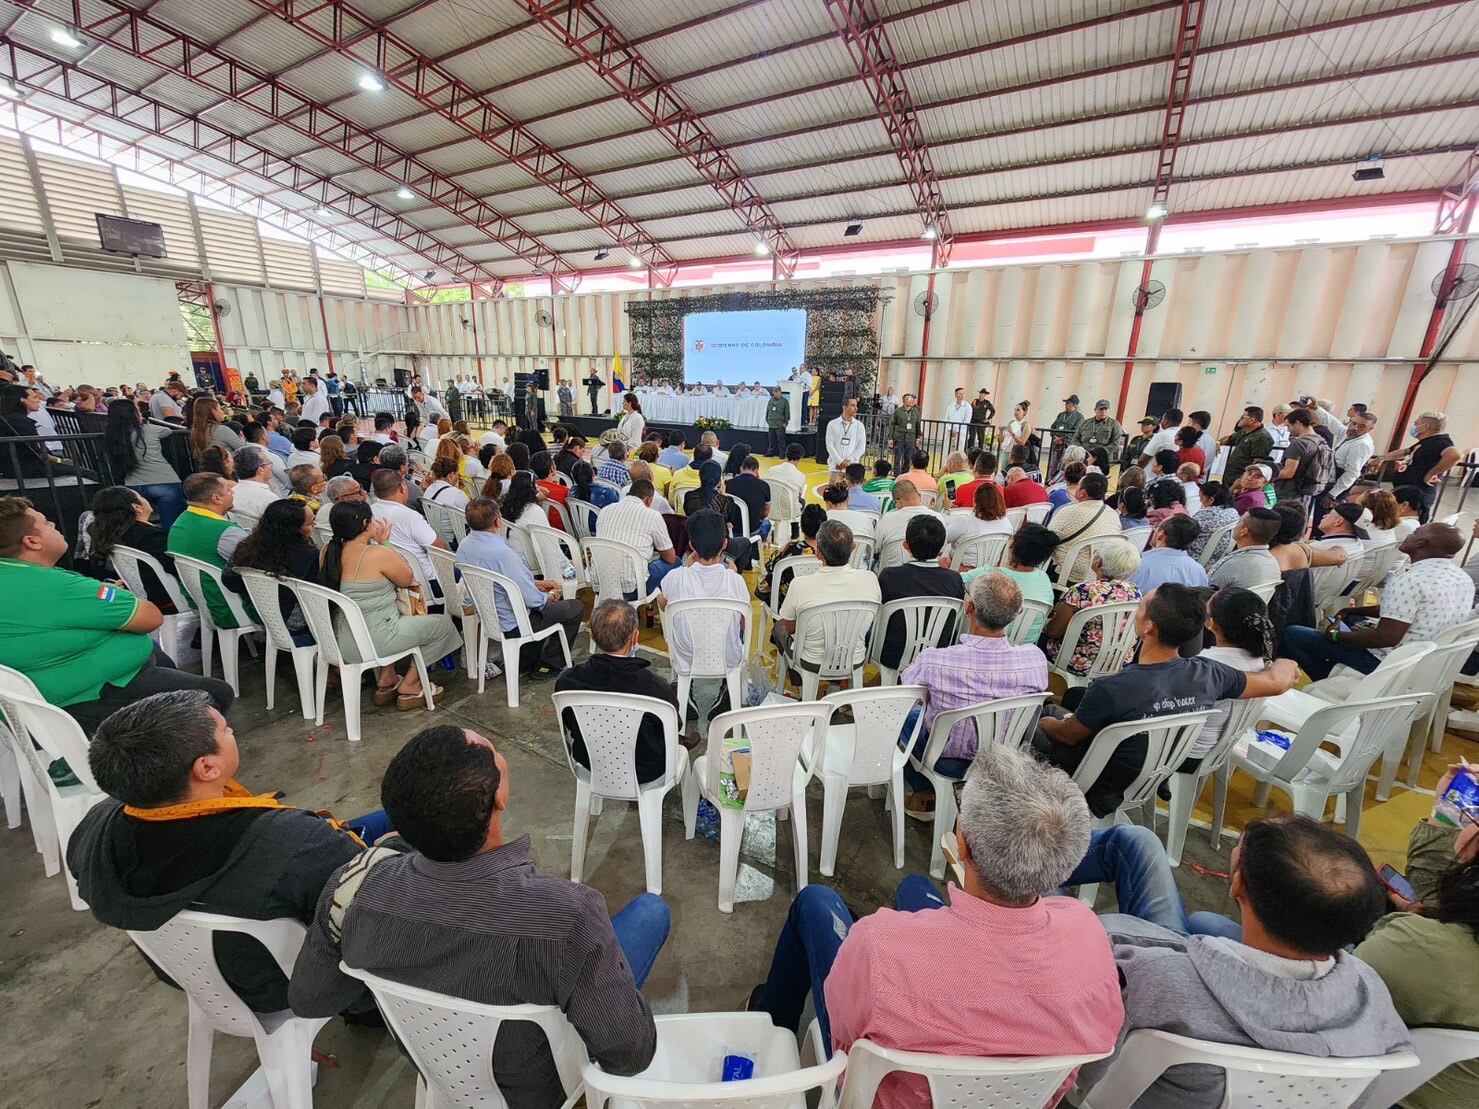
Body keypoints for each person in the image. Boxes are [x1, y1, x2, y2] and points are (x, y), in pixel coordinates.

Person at [288, 725, 668, 1107]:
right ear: (498, 798)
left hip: (439, 1072)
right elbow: (629, 1056)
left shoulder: (355, 887)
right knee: (651, 912)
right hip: (545, 1091)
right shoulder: (567, 915)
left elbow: (310, 1001)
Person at [751, 742, 1122, 1101]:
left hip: (885, 1094)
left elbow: (844, 1036)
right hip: (1023, 1097)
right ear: (1066, 863)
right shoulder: (1089, 934)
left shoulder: (877, 943)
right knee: (914, 888)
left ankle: (771, 1023)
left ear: (961, 844)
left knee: (816, 902)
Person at [68, 690, 384, 1015]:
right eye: (226, 730)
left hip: (193, 975)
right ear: (206, 767)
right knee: (402, 827)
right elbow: (367, 921)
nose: (233, 731)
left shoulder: (97, 826)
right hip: (288, 984)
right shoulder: (294, 841)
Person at [1070, 815, 1408, 1109]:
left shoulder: (1148, 974)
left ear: (1237, 884)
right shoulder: (1371, 994)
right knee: (1197, 912)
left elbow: (1081, 1077)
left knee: (1125, 850)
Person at [1034, 584, 1299, 818]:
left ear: (1148, 627)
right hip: (1154, 770)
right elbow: (1276, 681)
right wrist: (1285, 662)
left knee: (1032, 721)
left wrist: (1046, 722)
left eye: (1139, 608)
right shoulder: (1210, 673)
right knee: (1065, 707)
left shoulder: (1112, 687)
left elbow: (1068, 736)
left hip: (1098, 780)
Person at [0, 497, 233, 735]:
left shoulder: (14, 574)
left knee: (157, 656)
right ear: (31, 541)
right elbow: (151, 618)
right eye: (47, 523)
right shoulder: (56, 587)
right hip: (86, 699)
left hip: (69, 688)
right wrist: (110, 607)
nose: (54, 526)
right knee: (216, 693)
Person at [1355, 763, 1479, 1109]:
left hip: (1379, 1092)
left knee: (1211, 926)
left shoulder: (1418, 947)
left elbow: (1330, 994)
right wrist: (1448, 814)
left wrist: (1454, 812)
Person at [895, 564, 1045, 803]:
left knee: (905, 714)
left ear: (969, 607)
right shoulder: (1035, 659)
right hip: (1004, 754)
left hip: (946, 759)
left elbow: (908, 685)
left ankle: (922, 788)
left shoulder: (937, 660)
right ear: (1016, 613)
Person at [1283, 522, 1471, 679]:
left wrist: (1335, 635)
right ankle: (1337, 661)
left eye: (1415, 533)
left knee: (1292, 633)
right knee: (1350, 621)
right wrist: (1352, 611)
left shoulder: (1411, 581)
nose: (1409, 535)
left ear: (1420, 542)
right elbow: (1402, 611)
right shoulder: (1461, 578)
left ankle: (1325, 676)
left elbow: (1386, 638)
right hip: (1424, 661)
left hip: (1387, 664)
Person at [321, 501, 458, 707]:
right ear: (367, 523)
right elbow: (406, 578)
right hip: (377, 640)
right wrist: (385, 543)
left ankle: (388, 678)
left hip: (342, 641)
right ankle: (411, 684)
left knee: (389, 613)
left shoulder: (327, 551)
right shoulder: (376, 554)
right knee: (443, 625)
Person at [456, 497, 583, 676]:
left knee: (546, 606)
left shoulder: (464, 546)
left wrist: (537, 583)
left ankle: (526, 661)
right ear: (498, 521)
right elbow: (534, 602)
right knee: (574, 608)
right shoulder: (503, 553)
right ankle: (551, 664)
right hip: (515, 622)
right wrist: (552, 594)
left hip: (488, 617)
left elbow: (504, 580)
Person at [658, 510, 750, 714]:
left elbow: (663, 605)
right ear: (725, 544)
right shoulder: (735, 581)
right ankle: (728, 693)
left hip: (686, 656)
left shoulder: (676, 577)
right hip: (727, 657)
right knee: (734, 624)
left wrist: (686, 569)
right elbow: (744, 624)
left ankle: (686, 694)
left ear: (691, 545)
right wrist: (732, 575)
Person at [775, 520, 881, 664]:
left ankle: (800, 679)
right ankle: (840, 680)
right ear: (853, 547)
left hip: (812, 661)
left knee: (779, 627)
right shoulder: (870, 579)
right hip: (854, 658)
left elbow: (789, 627)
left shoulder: (800, 585)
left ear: (818, 553)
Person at [167, 472, 254, 630]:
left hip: (199, 602)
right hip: (231, 607)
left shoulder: (180, 522)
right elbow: (260, 565)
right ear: (216, 498)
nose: (233, 493)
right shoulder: (225, 532)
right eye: (228, 490)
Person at [1041, 542, 1142, 679]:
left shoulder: (1082, 591)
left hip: (1077, 662)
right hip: (1116, 661)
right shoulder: (1134, 591)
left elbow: (1054, 631)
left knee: (1036, 638)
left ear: (1098, 563)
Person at [877, 514, 964, 671]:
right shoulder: (955, 580)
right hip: (939, 652)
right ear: (942, 548)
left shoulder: (890, 576)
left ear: (906, 546)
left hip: (893, 655)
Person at [230, 499, 321, 646]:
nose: (314, 526)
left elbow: (230, 581)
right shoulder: (308, 556)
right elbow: (318, 597)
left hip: (261, 614)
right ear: (293, 529)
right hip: (297, 622)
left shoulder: (246, 548)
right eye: (310, 523)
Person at [87, 486, 177, 610]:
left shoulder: (105, 535)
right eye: (141, 497)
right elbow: (172, 569)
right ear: (137, 507)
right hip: (165, 601)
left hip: (130, 599)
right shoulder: (152, 536)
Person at [967, 522, 1058, 640]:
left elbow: (953, 582)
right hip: (1025, 647)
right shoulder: (1044, 580)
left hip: (981, 640)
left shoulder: (986, 574)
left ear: (1012, 545)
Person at [103, 399, 186, 526]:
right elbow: (167, 431)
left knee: (136, 524)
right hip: (165, 480)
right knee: (172, 525)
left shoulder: (113, 437)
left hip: (133, 484)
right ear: (134, 414)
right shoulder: (150, 429)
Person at [596, 476, 678, 593]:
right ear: (649, 500)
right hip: (632, 589)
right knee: (677, 562)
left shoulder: (605, 510)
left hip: (600, 583)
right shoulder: (652, 515)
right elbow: (670, 558)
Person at [1376, 410, 1462, 521]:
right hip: (1405, 491)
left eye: (1416, 424)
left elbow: (1454, 455)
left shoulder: (1440, 442)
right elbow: (1405, 452)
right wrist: (1381, 458)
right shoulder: (1425, 442)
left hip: (1417, 496)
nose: (1413, 427)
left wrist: (1432, 473)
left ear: (1425, 427)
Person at [369, 468, 447, 587]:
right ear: (402, 488)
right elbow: (439, 548)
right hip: (427, 581)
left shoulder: (370, 511)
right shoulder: (409, 516)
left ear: (375, 492)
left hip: (391, 577)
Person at [1048, 472, 1120, 580]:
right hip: (1099, 573)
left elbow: (1048, 537)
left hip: (1067, 573)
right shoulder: (1113, 515)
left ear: (1083, 493)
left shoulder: (1069, 511)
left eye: (1078, 486)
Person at [757, 503, 824, 609]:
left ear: (802, 526)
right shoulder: (829, 552)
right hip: (818, 605)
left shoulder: (790, 549)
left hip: (787, 606)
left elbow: (771, 568)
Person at [1273, 408, 1332, 515]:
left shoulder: (1299, 444)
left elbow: (1288, 472)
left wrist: (1269, 475)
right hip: (1307, 491)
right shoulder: (1321, 442)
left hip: (1288, 493)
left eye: (1288, 426)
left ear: (1298, 423)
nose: (1288, 430)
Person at [1130, 515, 1209, 593]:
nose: (1154, 529)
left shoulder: (1137, 566)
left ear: (1161, 535)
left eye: (1157, 527)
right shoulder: (1199, 571)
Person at [1208, 507, 1283, 590]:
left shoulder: (1231, 564)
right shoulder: (1272, 563)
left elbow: (1204, 592)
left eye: (1239, 521)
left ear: (1243, 532)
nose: (1236, 525)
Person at [944, 479, 1012, 553]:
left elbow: (943, 538)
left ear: (975, 501)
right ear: (1000, 501)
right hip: (993, 564)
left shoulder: (966, 522)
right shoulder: (1007, 524)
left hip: (962, 563)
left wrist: (946, 510)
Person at [1328, 408, 1377, 504]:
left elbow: (1352, 472)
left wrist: (1332, 494)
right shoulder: (1350, 434)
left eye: (1362, 426)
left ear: (1370, 429)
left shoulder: (1362, 444)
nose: (1355, 428)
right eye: (1354, 423)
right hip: (1330, 481)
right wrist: (1317, 408)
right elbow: (1333, 423)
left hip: (1336, 487)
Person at [229, 445, 282, 520]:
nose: (271, 466)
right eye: (268, 463)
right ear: (261, 470)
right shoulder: (269, 499)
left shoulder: (231, 493)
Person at [726, 454, 771, 540]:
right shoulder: (764, 486)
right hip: (753, 531)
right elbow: (765, 513)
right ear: (757, 470)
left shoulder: (728, 484)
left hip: (732, 530)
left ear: (741, 468)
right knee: (767, 523)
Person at [825, 395, 867, 479]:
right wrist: (839, 462)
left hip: (851, 470)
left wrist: (849, 461)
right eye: (853, 405)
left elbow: (861, 447)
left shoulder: (859, 426)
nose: (856, 408)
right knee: (834, 491)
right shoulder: (832, 424)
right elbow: (829, 445)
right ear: (844, 407)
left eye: (856, 405)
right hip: (835, 468)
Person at [886, 393, 921, 475]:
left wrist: (918, 437)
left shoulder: (915, 411)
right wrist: (890, 437)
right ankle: (897, 475)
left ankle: (905, 474)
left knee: (908, 458)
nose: (911, 401)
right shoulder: (898, 411)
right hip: (899, 437)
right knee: (897, 458)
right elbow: (892, 424)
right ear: (904, 401)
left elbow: (918, 424)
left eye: (911, 399)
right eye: (908, 399)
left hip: (911, 438)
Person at [943, 386, 972, 453]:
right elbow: (946, 419)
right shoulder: (950, 406)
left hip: (961, 433)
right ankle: (945, 463)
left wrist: (956, 431)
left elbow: (966, 422)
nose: (962, 395)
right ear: (956, 395)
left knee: (959, 452)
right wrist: (950, 430)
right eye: (960, 394)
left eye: (963, 393)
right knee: (946, 451)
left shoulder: (968, 407)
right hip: (949, 433)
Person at [764, 385, 790, 458]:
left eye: (776, 392)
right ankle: (770, 452)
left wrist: (786, 422)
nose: (774, 394)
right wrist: (767, 419)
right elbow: (768, 410)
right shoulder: (771, 400)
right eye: (774, 392)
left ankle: (782, 453)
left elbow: (787, 412)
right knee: (771, 439)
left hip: (780, 424)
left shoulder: (784, 401)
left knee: (781, 440)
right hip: (771, 423)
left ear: (780, 392)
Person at [968, 387, 994, 452]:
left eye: (983, 394)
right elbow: (970, 410)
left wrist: (988, 419)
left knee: (981, 438)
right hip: (973, 422)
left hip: (981, 422)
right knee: (972, 437)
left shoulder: (987, 402)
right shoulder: (975, 401)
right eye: (980, 393)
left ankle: (980, 452)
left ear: (985, 395)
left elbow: (993, 411)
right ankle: (970, 451)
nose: (981, 395)